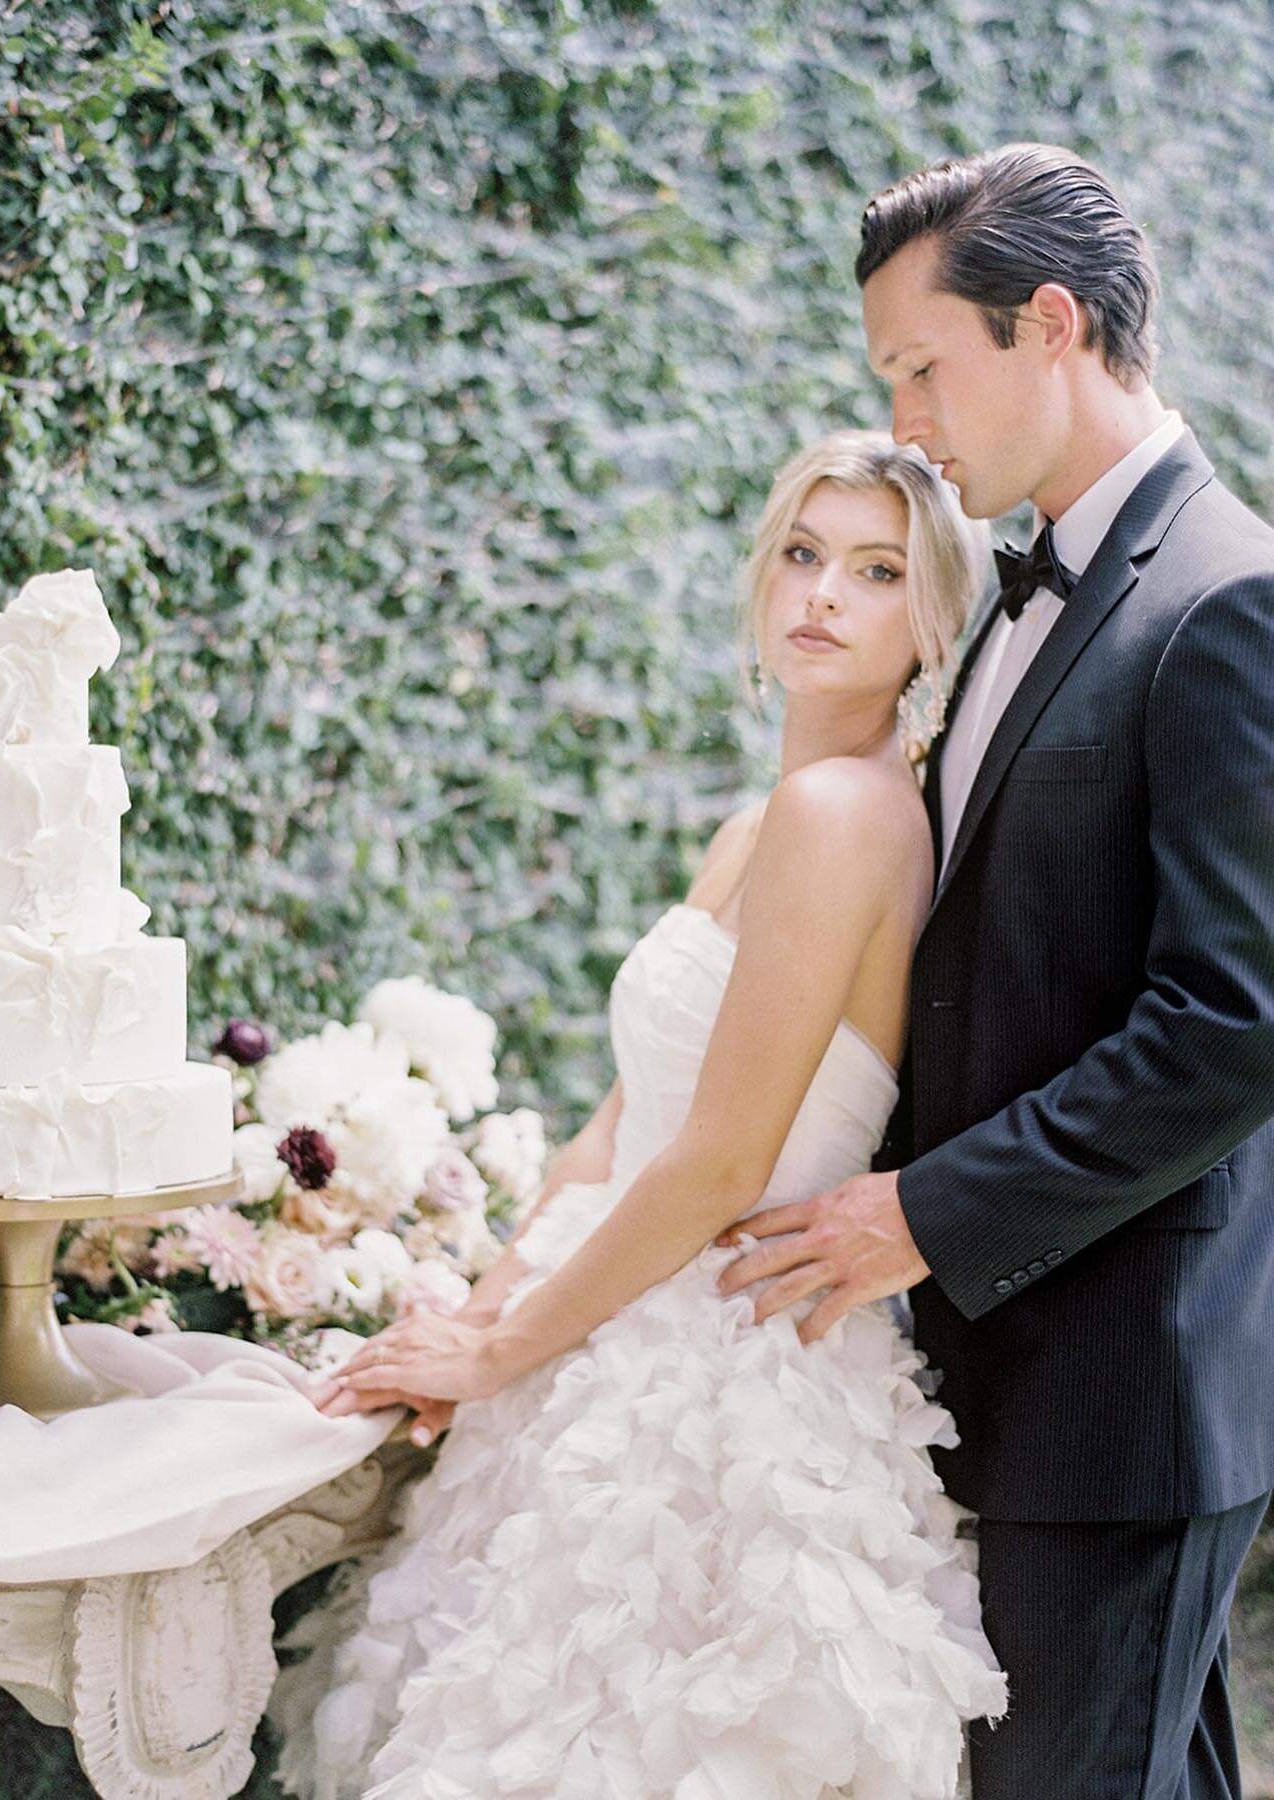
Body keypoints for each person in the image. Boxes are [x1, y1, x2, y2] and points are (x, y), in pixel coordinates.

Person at [272, 430, 1005, 1800]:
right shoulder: (760, 823)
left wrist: (500, 1356)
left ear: (933, 622)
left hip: (717, 1351)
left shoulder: (846, 816)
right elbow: (619, 1128)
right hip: (604, 1302)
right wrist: (479, 1315)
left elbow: (721, 1159)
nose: (824, 595)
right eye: (802, 553)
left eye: (876, 570)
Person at [717, 144, 1274, 1798]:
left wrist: (925, 1213)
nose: (904, 417)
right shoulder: (1034, 586)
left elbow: (1235, 1024)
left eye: (919, 368)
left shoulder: (1222, 600)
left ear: (1047, 325)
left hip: (1123, 1385)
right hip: (1014, 1376)